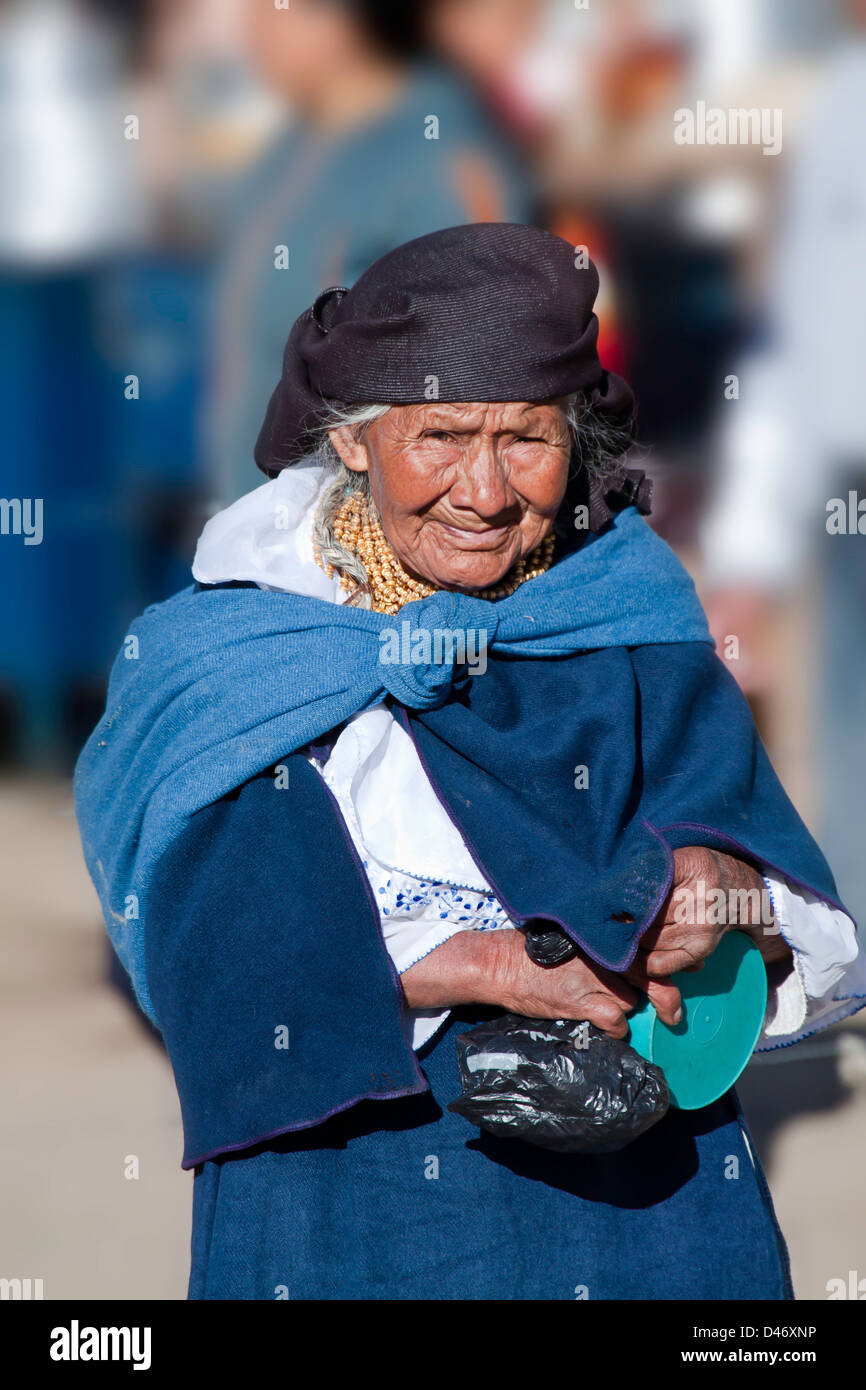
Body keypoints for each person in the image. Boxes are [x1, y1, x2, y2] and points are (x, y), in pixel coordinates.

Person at [75, 223, 865, 1300]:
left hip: (637, 1194)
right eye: (441, 437)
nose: (486, 492)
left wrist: (724, 894)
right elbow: (197, 952)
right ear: (353, 441)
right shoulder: (225, 651)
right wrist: (477, 966)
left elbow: (754, 855)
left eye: (526, 441)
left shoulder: (624, 605)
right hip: (343, 1172)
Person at [207, 0, 530, 503]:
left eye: (278, 8)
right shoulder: (289, 148)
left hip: (360, 552)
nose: (254, 28)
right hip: (251, 533)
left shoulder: (435, 153)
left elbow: (489, 382)